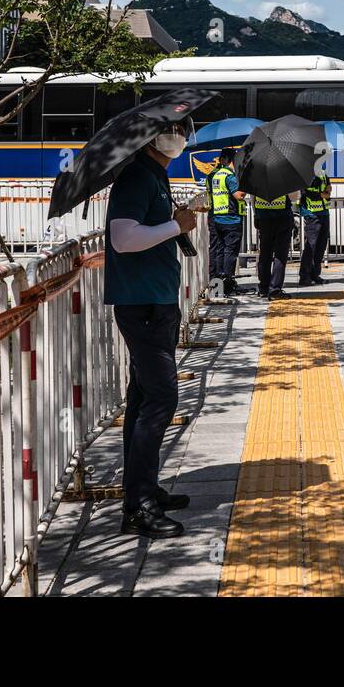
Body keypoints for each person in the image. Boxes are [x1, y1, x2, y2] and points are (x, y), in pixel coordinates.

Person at [105, 117, 200, 539]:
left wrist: (178, 222)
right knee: (161, 396)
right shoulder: (136, 178)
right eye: (177, 128)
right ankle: (137, 507)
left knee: (143, 395)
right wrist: (175, 226)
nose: (182, 135)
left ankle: (143, 489)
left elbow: (153, 231)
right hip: (140, 304)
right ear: (153, 138)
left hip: (157, 302)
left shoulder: (156, 175)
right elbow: (123, 239)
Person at [207, 147, 245, 295]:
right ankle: (227, 284)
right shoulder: (229, 176)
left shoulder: (214, 175)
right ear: (232, 161)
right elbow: (239, 195)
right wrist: (246, 185)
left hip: (217, 218)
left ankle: (217, 285)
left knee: (219, 251)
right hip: (231, 219)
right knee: (230, 252)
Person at [254, 188, 299, 300]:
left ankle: (264, 288)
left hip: (264, 218)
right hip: (282, 218)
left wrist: (257, 216)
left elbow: (254, 197)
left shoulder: (257, 177)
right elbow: (294, 197)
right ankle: (274, 289)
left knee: (265, 254)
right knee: (280, 255)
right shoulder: (284, 176)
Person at [297, 171, 332, 287]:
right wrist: (324, 194)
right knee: (311, 246)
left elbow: (328, 189)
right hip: (311, 213)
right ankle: (304, 276)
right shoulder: (307, 173)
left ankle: (315, 274)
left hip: (324, 212)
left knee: (321, 245)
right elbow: (310, 193)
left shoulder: (323, 173)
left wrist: (325, 193)